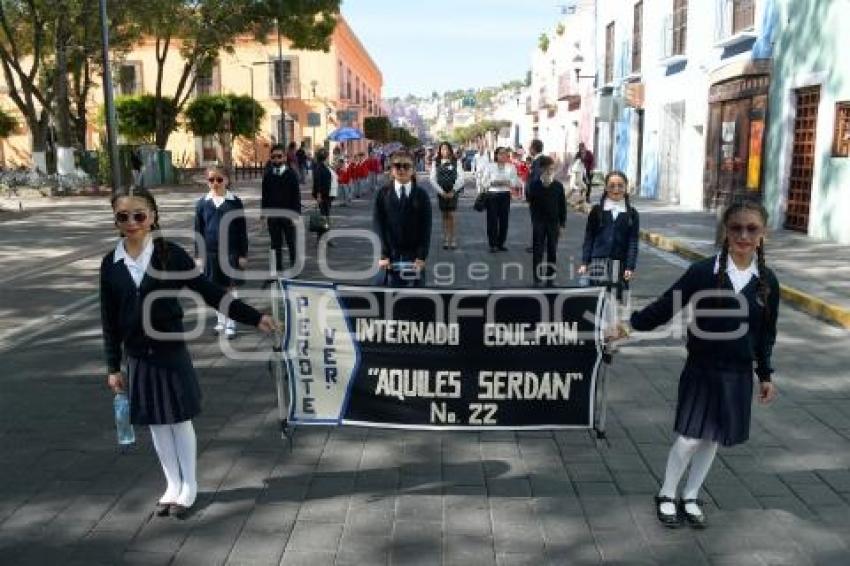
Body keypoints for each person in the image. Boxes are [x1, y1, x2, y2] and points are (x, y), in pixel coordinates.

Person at [101, 187, 276, 519]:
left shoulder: (170, 255)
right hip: (136, 355)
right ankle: (171, 484)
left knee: (178, 420)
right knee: (156, 424)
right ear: (116, 221)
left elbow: (211, 292)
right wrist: (113, 365)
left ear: (153, 217)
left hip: (170, 350)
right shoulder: (110, 263)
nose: (132, 222)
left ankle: (189, 486)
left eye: (139, 214)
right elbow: (108, 319)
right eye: (123, 216)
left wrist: (255, 318)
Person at [614, 198, 779, 529]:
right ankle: (666, 493)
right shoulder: (703, 272)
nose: (744, 235)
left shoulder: (767, 282)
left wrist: (765, 374)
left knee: (713, 438)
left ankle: (690, 495)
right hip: (703, 370)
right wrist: (629, 325)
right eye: (736, 228)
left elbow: (766, 334)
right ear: (725, 231)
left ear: (762, 234)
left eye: (752, 228)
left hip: (737, 374)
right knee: (690, 437)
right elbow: (666, 305)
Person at [194, 165, 248, 338]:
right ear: (207, 182)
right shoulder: (202, 203)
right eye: (211, 180)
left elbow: (242, 230)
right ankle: (220, 321)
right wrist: (198, 256)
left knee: (230, 288)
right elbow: (198, 231)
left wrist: (243, 254)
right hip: (210, 253)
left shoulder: (234, 202)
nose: (215, 183)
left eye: (219, 179)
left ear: (227, 180)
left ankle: (231, 323)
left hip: (231, 252)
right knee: (214, 289)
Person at [373, 149, 432, 287]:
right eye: (397, 166)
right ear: (392, 169)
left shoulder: (421, 195)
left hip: (414, 256)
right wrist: (383, 254)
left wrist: (421, 256)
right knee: (388, 300)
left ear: (413, 169)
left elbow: (426, 227)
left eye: (406, 166)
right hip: (390, 256)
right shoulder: (383, 194)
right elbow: (378, 224)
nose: (402, 170)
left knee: (415, 301)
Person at [578, 171, 639, 297]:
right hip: (598, 262)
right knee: (597, 300)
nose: (616, 189)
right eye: (611, 185)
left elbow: (633, 242)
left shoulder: (632, 214)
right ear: (606, 188)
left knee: (616, 299)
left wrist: (630, 266)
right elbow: (589, 238)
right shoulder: (597, 211)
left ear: (626, 187)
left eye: (620, 185)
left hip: (620, 263)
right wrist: (585, 262)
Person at [527, 156, 566, 286]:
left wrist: (562, 224)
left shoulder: (558, 186)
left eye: (552, 169)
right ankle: (537, 278)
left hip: (553, 223)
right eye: (548, 169)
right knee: (538, 251)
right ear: (542, 169)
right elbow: (531, 203)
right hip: (539, 222)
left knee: (552, 251)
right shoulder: (535, 185)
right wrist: (535, 220)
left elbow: (562, 206)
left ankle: (550, 278)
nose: (550, 171)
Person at [262, 145, 301, 272]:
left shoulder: (291, 174)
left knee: (291, 243)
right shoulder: (268, 175)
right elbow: (265, 196)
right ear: (271, 158)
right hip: (273, 217)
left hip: (289, 216)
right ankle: (277, 270)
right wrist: (263, 215)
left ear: (284, 157)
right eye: (273, 157)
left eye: (279, 156)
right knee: (275, 245)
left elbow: (296, 196)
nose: (277, 159)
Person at [480, 146, 521, 253]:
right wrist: (493, 183)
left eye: (505, 154)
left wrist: (508, 183)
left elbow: (515, 181)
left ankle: (500, 243)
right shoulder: (490, 166)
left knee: (504, 220)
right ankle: (492, 244)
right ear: (496, 155)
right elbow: (484, 181)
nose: (503, 156)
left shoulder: (511, 167)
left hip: (505, 195)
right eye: (500, 153)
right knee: (492, 220)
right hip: (492, 195)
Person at [429, 141, 465, 250]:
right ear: (439, 151)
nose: (444, 151)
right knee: (444, 215)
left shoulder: (456, 162)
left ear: (450, 150)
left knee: (451, 215)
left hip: (453, 191)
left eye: (446, 149)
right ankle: (445, 239)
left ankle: (453, 239)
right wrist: (441, 192)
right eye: (442, 149)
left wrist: (453, 191)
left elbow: (461, 178)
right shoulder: (436, 162)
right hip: (442, 192)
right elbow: (432, 178)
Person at [525, 139, 545, 253]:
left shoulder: (538, 161)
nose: (529, 149)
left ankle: (538, 245)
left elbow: (536, 180)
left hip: (537, 197)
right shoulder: (541, 160)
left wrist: (531, 195)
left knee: (537, 222)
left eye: (530, 147)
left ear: (533, 148)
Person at [312, 148, 333, 246]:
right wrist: (319, 195)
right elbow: (318, 182)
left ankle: (322, 239)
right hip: (323, 196)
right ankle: (323, 239)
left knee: (324, 217)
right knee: (324, 217)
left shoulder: (323, 166)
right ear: (325, 157)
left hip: (326, 195)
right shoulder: (320, 168)